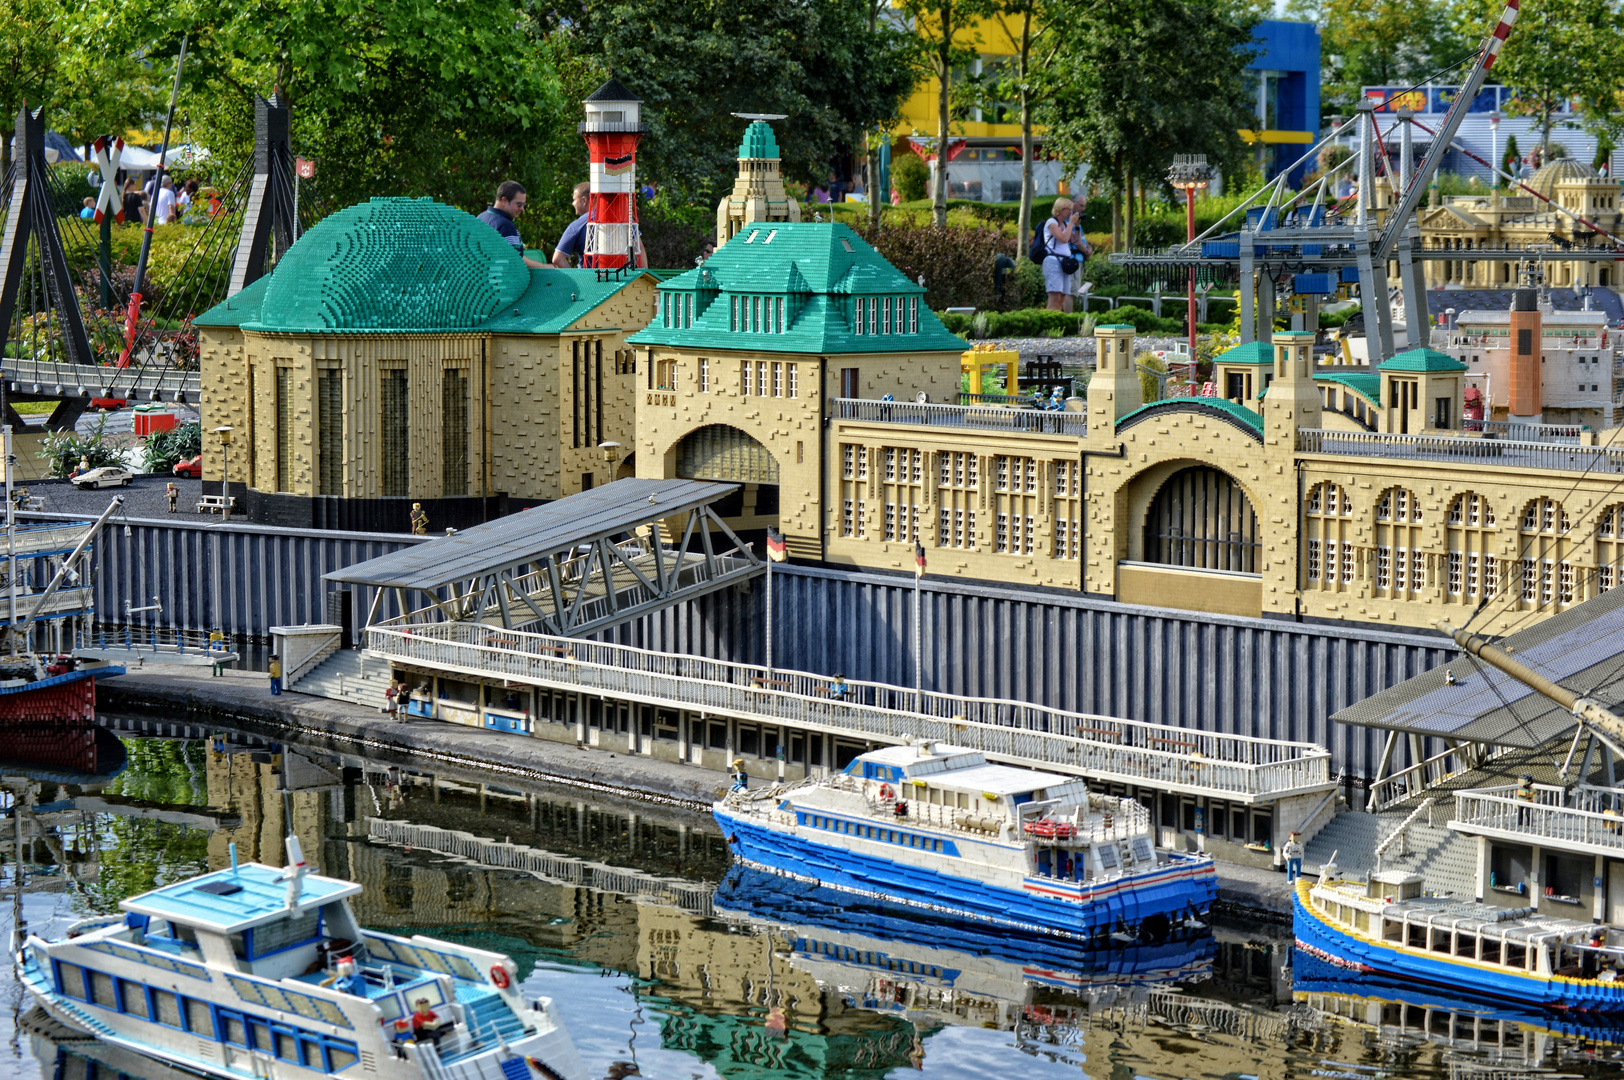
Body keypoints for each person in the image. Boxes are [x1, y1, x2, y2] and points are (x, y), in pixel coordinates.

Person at [477, 180, 546, 268]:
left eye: (523, 205)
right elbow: (516, 262)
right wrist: (544, 267)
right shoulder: (505, 226)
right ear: (504, 200)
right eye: (519, 204)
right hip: (499, 280)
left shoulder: (481, 217)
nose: (522, 209)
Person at [1041, 197, 1086, 313]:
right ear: (1060, 209)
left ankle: (1058, 323)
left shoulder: (1065, 225)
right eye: (1068, 210)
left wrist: (1076, 226)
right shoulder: (1052, 223)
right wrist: (1071, 222)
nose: (1071, 213)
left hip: (1064, 263)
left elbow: (1075, 240)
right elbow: (1063, 239)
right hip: (1053, 262)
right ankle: (1049, 324)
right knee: (1055, 298)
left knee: (1062, 298)